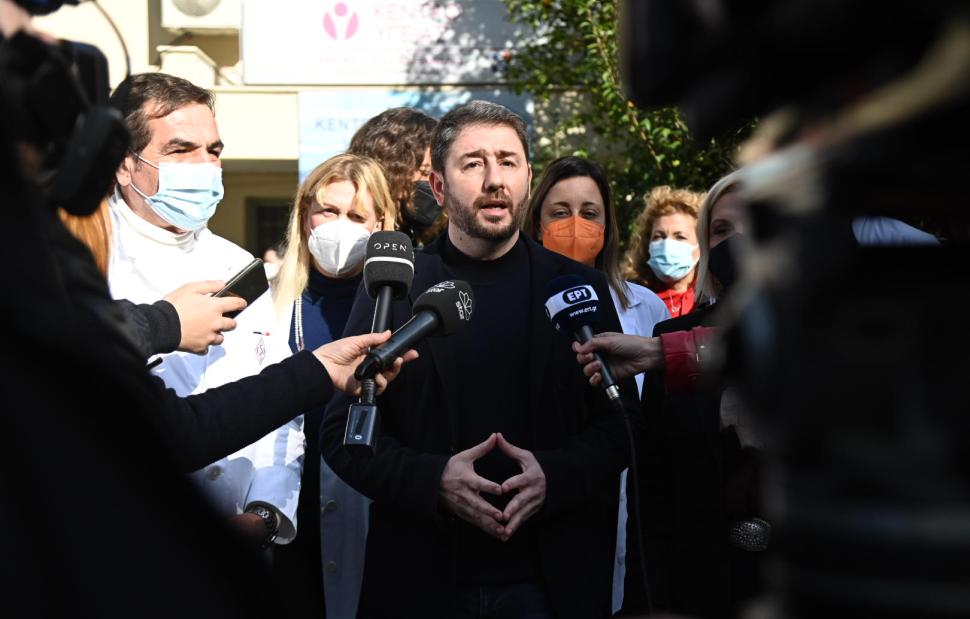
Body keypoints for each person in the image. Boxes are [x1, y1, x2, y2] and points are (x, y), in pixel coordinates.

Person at [321, 100, 640, 619]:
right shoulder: (393, 288)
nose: (495, 180)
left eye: (508, 162)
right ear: (438, 187)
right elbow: (343, 434)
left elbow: (622, 423)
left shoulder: (576, 286)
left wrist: (554, 476)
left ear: (528, 178)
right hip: (420, 579)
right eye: (473, 164)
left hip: (553, 582)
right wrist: (433, 481)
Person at [106, 72, 301, 549]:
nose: (205, 167)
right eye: (180, 150)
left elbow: (279, 403)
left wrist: (266, 513)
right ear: (125, 165)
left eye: (213, 151)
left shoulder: (238, 264)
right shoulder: (85, 256)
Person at [522, 155, 669, 613]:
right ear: (537, 222)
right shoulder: (517, 306)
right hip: (551, 515)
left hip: (631, 508)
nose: (575, 225)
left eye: (589, 213)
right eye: (559, 212)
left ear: (607, 226)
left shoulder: (646, 306)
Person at [270, 153, 396, 617]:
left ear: (379, 225)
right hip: (286, 510)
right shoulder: (267, 300)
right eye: (328, 210)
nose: (340, 226)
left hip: (370, 505)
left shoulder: (398, 307)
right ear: (305, 214)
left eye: (356, 216)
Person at [347, 106, 443, 246]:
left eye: (439, 173)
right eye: (425, 173)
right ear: (390, 172)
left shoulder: (440, 236)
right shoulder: (353, 239)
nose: (436, 183)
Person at [623, 185, 706, 317]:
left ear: (701, 244)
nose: (667, 244)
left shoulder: (716, 296)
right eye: (658, 236)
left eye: (680, 237)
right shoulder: (629, 299)